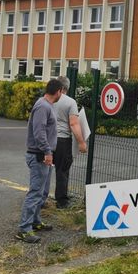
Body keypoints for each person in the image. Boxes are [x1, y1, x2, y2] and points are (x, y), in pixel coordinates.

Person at [16, 79, 63, 243]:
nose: (61, 95)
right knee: (35, 192)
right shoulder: (43, 107)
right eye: (61, 92)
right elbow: (39, 132)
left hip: (43, 155)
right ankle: (24, 229)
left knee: (42, 192)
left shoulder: (45, 105)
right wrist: (47, 151)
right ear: (58, 92)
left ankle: (35, 222)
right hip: (39, 155)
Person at [51, 75, 88, 209]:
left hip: (48, 139)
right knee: (62, 170)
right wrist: (81, 142)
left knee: (45, 170)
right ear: (66, 88)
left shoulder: (48, 99)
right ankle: (61, 202)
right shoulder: (70, 102)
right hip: (62, 140)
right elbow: (73, 124)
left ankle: (40, 199)